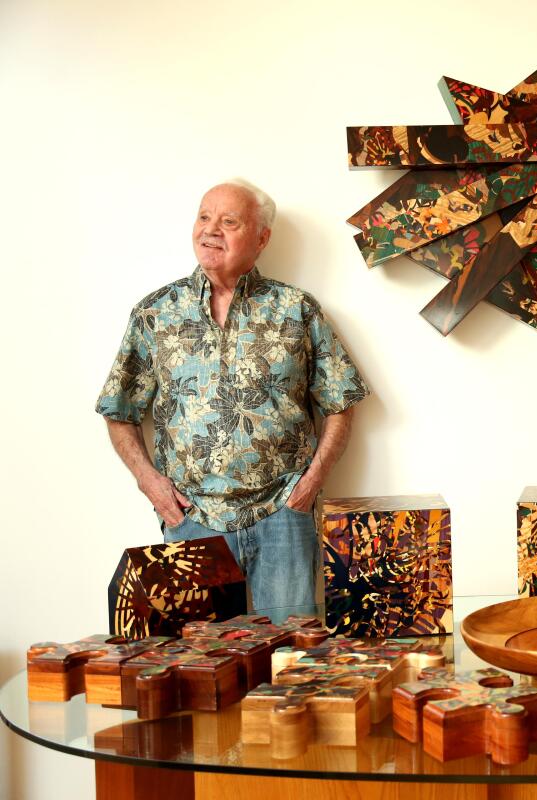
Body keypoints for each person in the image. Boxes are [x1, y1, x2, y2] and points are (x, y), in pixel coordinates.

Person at [96, 180, 369, 621]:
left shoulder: (297, 309)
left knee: (291, 661)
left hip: (283, 513)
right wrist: (150, 482)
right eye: (204, 217)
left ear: (261, 238)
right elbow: (117, 410)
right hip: (191, 519)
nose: (210, 230)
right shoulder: (155, 313)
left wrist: (310, 485)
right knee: (205, 671)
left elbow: (342, 402)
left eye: (229, 221)